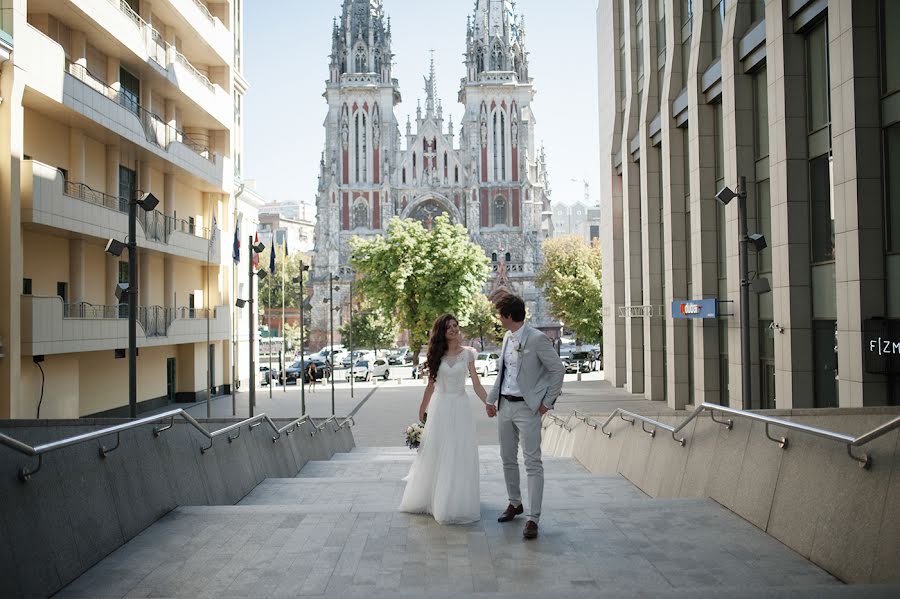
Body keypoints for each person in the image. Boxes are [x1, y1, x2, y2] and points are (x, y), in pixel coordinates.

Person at [485, 291, 565, 539]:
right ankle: (515, 502)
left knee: (532, 462)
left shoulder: (538, 338)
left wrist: (546, 403)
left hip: (527, 408)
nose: (498, 319)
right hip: (505, 406)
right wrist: (491, 399)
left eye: (500, 315)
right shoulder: (507, 338)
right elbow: (503, 374)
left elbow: (558, 370)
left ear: (508, 316)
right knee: (507, 458)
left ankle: (533, 518)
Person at [399, 314, 489, 524]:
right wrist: (422, 408)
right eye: (449, 327)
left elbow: (476, 384)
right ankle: (433, 497)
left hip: (460, 407)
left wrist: (489, 402)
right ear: (442, 331)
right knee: (437, 450)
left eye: (456, 325)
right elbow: (431, 385)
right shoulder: (436, 355)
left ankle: (454, 501)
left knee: (458, 452)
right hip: (439, 408)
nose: (453, 329)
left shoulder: (468, 355)